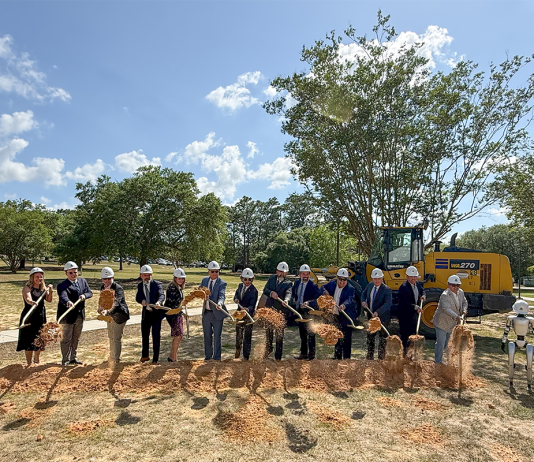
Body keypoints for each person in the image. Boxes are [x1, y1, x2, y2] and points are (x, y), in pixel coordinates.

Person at [315, 268, 358, 359]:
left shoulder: (351, 288)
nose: (342, 282)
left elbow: (350, 299)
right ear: (337, 278)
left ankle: (346, 358)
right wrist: (325, 292)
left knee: (346, 338)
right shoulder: (332, 283)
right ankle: (337, 356)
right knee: (336, 335)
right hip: (335, 315)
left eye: (344, 280)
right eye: (340, 279)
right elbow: (322, 287)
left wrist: (343, 305)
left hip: (346, 316)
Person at [57, 261, 93, 366]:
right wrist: (68, 302)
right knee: (66, 339)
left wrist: (84, 295)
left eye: (75, 272)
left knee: (76, 338)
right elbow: (63, 296)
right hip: (67, 316)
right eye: (71, 273)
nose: (73, 274)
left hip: (79, 315)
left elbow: (89, 292)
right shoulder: (62, 285)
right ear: (66, 273)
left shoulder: (83, 281)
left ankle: (73, 358)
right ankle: (65, 359)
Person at [17, 267, 53, 365]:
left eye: (41, 277)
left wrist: (50, 291)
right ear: (32, 277)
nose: (39, 279)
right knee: (29, 339)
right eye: (37, 277)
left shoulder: (43, 289)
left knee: (39, 338)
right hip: (29, 316)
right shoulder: (27, 288)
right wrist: (31, 302)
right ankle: (29, 362)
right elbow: (28, 298)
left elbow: (49, 300)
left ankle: (37, 359)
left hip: (40, 316)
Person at [432, 274, 468, 364]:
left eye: (457, 285)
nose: (456, 287)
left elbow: (464, 302)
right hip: (442, 322)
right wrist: (457, 317)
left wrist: (464, 311)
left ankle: (449, 362)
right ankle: (438, 362)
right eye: (453, 285)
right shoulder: (445, 295)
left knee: (449, 343)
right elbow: (446, 309)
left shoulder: (461, 292)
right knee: (440, 343)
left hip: (452, 323)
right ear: (448, 285)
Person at [261, 261, 293, 360]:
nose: (281, 274)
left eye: (283, 272)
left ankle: (278, 357)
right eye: (280, 272)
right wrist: (271, 293)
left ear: (286, 273)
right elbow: (265, 290)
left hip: (280, 312)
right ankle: (268, 349)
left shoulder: (288, 283)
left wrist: (286, 300)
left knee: (279, 334)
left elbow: (289, 293)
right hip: (270, 309)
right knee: (269, 332)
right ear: (276, 271)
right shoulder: (271, 279)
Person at [98, 267, 129, 364]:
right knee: (111, 336)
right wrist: (100, 307)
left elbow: (117, 303)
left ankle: (116, 359)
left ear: (113, 278)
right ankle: (112, 356)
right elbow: (102, 299)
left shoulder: (118, 288)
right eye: (105, 279)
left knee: (116, 338)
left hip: (119, 315)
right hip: (109, 316)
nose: (107, 281)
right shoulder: (102, 287)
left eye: (109, 278)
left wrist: (107, 310)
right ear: (102, 279)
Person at [135, 264, 165, 364]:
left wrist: (159, 302)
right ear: (141, 275)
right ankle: (145, 356)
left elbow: (161, 295)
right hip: (146, 314)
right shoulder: (140, 285)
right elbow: (138, 297)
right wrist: (141, 301)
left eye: (149, 275)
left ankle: (155, 359)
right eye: (145, 275)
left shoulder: (157, 284)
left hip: (156, 314)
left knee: (155, 336)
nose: (147, 277)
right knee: (145, 335)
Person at [361, 268, 392, 360]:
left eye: (379, 279)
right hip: (371, 316)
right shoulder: (370, 285)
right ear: (372, 279)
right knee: (370, 337)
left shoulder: (387, 289)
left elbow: (388, 304)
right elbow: (363, 294)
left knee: (382, 338)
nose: (377, 281)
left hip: (383, 318)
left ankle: (381, 359)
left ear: (382, 279)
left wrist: (378, 312)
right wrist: (363, 301)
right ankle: (370, 357)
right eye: (375, 279)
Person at [292, 264, 321, 360]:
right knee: (302, 333)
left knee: (311, 333)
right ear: (300, 274)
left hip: (309, 312)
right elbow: (294, 292)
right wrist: (294, 299)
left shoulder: (313, 286)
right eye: (303, 274)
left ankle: (311, 354)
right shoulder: (297, 283)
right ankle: (303, 353)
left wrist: (308, 303)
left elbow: (317, 300)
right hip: (300, 311)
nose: (305, 276)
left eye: (307, 274)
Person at [200, 261, 227, 361]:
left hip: (217, 314)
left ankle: (217, 358)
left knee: (217, 337)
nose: (215, 273)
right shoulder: (204, 280)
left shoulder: (222, 283)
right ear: (209, 271)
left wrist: (220, 303)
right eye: (213, 271)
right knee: (207, 336)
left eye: (217, 271)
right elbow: (199, 291)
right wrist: (202, 294)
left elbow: (222, 295)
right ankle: (208, 356)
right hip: (206, 313)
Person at [397, 266, 426, 356]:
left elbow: (422, 291)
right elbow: (404, 302)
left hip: (413, 315)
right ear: (407, 276)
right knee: (405, 336)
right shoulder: (403, 287)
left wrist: (423, 296)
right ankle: (404, 355)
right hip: (404, 315)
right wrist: (416, 307)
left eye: (415, 276)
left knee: (413, 334)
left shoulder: (417, 284)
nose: (413, 278)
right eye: (411, 276)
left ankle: (411, 354)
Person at [233, 268, 259, 361]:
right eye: (245, 279)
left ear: (252, 279)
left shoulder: (254, 291)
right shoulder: (240, 286)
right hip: (239, 315)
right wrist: (236, 299)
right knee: (238, 334)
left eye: (249, 279)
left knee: (247, 336)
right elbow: (236, 295)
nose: (247, 281)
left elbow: (252, 305)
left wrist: (247, 309)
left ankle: (246, 356)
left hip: (248, 316)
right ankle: (238, 349)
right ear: (242, 279)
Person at [164, 268, 186, 362]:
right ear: (175, 278)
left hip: (176, 314)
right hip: (173, 314)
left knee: (177, 335)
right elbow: (174, 303)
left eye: (182, 278)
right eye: (179, 278)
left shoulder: (178, 287)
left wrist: (182, 312)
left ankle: (171, 356)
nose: (181, 280)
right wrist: (181, 310)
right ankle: (174, 358)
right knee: (178, 335)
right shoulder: (172, 288)